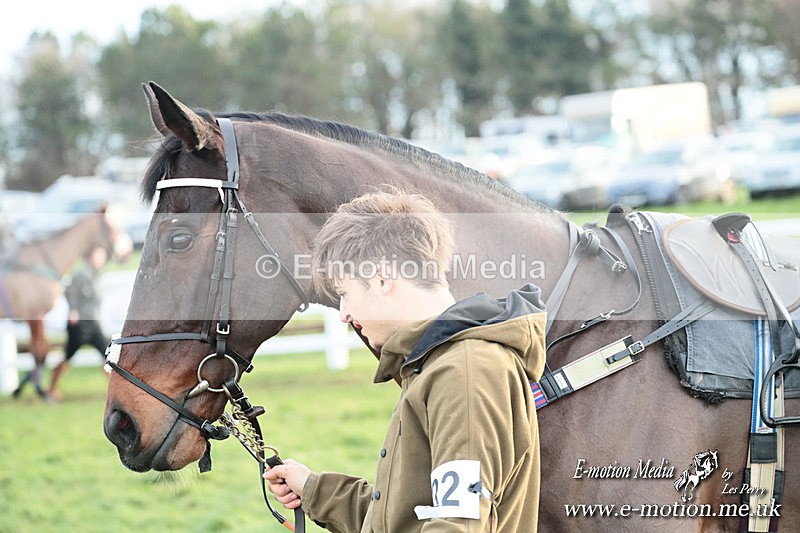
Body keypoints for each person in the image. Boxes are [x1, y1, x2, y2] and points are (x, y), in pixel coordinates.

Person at [264, 191, 547, 532]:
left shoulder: (466, 370)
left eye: (344, 293)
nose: (343, 314)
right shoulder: (440, 363)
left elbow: (456, 524)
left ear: (382, 279)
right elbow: (403, 517)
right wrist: (313, 489)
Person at [48, 246, 110, 400]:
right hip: (80, 325)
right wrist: (73, 309)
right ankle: (51, 390)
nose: (100, 259)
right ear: (89, 257)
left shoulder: (96, 275)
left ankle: (115, 391)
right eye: (97, 256)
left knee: (108, 357)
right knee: (68, 356)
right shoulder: (82, 274)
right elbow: (70, 291)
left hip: (93, 324)